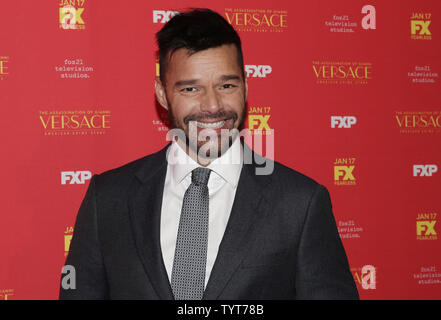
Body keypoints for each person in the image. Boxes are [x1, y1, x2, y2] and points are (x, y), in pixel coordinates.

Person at [59, 8, 358, 300]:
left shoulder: (300, 203)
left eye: (226, 85)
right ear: (162, 93)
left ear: (246, 86)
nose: (213, 106)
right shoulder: (108, 199)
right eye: (191, 89)